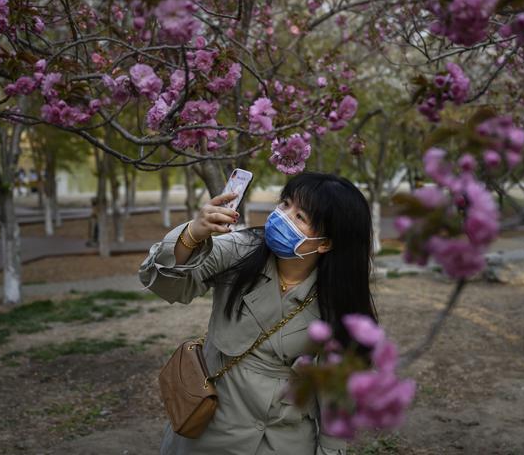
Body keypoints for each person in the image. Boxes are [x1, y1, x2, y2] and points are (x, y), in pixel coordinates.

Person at [139, 172, 378, 455]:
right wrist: (192, 234)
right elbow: (165, 284)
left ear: (325, 243)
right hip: (212, 427)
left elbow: (338, 387)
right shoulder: (242, 249)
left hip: (283, 437)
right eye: (285, 203)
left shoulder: (338, 292)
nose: (282, 216)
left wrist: (330, 449)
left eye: (300, 216)